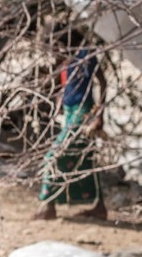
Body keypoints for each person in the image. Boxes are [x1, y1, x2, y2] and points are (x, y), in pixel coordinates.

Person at [33, 40, 108, 221]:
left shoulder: (84, 54)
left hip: (83, 112)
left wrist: (99, 114)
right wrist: (60, 101)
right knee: (85, 159)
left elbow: (102, 81)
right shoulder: (64, 59)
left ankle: (48, 205)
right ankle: (99, 207)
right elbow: (67, 85)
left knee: (53, 156)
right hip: (69, 112)